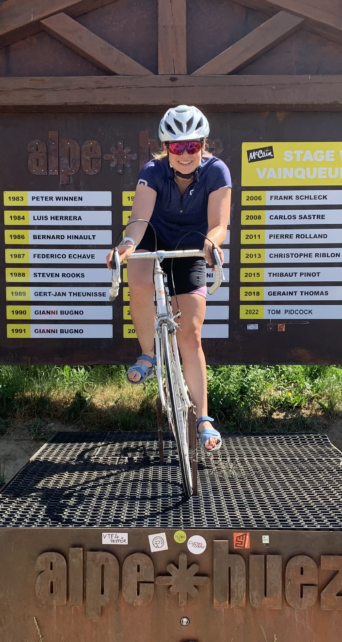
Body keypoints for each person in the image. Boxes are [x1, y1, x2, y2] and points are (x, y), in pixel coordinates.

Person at [106, 105, 231, 452]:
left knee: (190, 336)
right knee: (140, 276)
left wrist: (211, 244)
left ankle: (203, 418)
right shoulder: (152, 171)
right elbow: (139, 219)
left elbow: (220, 224)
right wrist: (127, 245)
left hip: (193, 245)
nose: (186, 153)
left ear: (203, 145)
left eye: (193, 146)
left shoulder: (217, 171)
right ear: (167, 148)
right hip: (154, 238)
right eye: (177, 147)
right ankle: (148, 354)